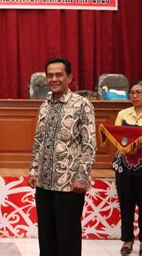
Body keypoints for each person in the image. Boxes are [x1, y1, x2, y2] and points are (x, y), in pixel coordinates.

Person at [28, 57, 97, 256]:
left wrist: (82, 176)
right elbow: (38, 141)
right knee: (46, 237)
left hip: (69, 184)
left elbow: (90, 143)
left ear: (70, 77)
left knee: (68, 239)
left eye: (59, 74)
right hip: (44, 183)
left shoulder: (82, 105)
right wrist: (33, 169)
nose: (54, 79)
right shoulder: (45, 106)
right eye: (50, 75)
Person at [112, 80, 142, 255]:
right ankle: (127, 240)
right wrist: (125, 145)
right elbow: (116, 135)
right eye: (132, 92)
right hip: (124, 165)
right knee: (126, 204)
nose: (135, 96)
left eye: (139, 92)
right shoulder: (123, 113)